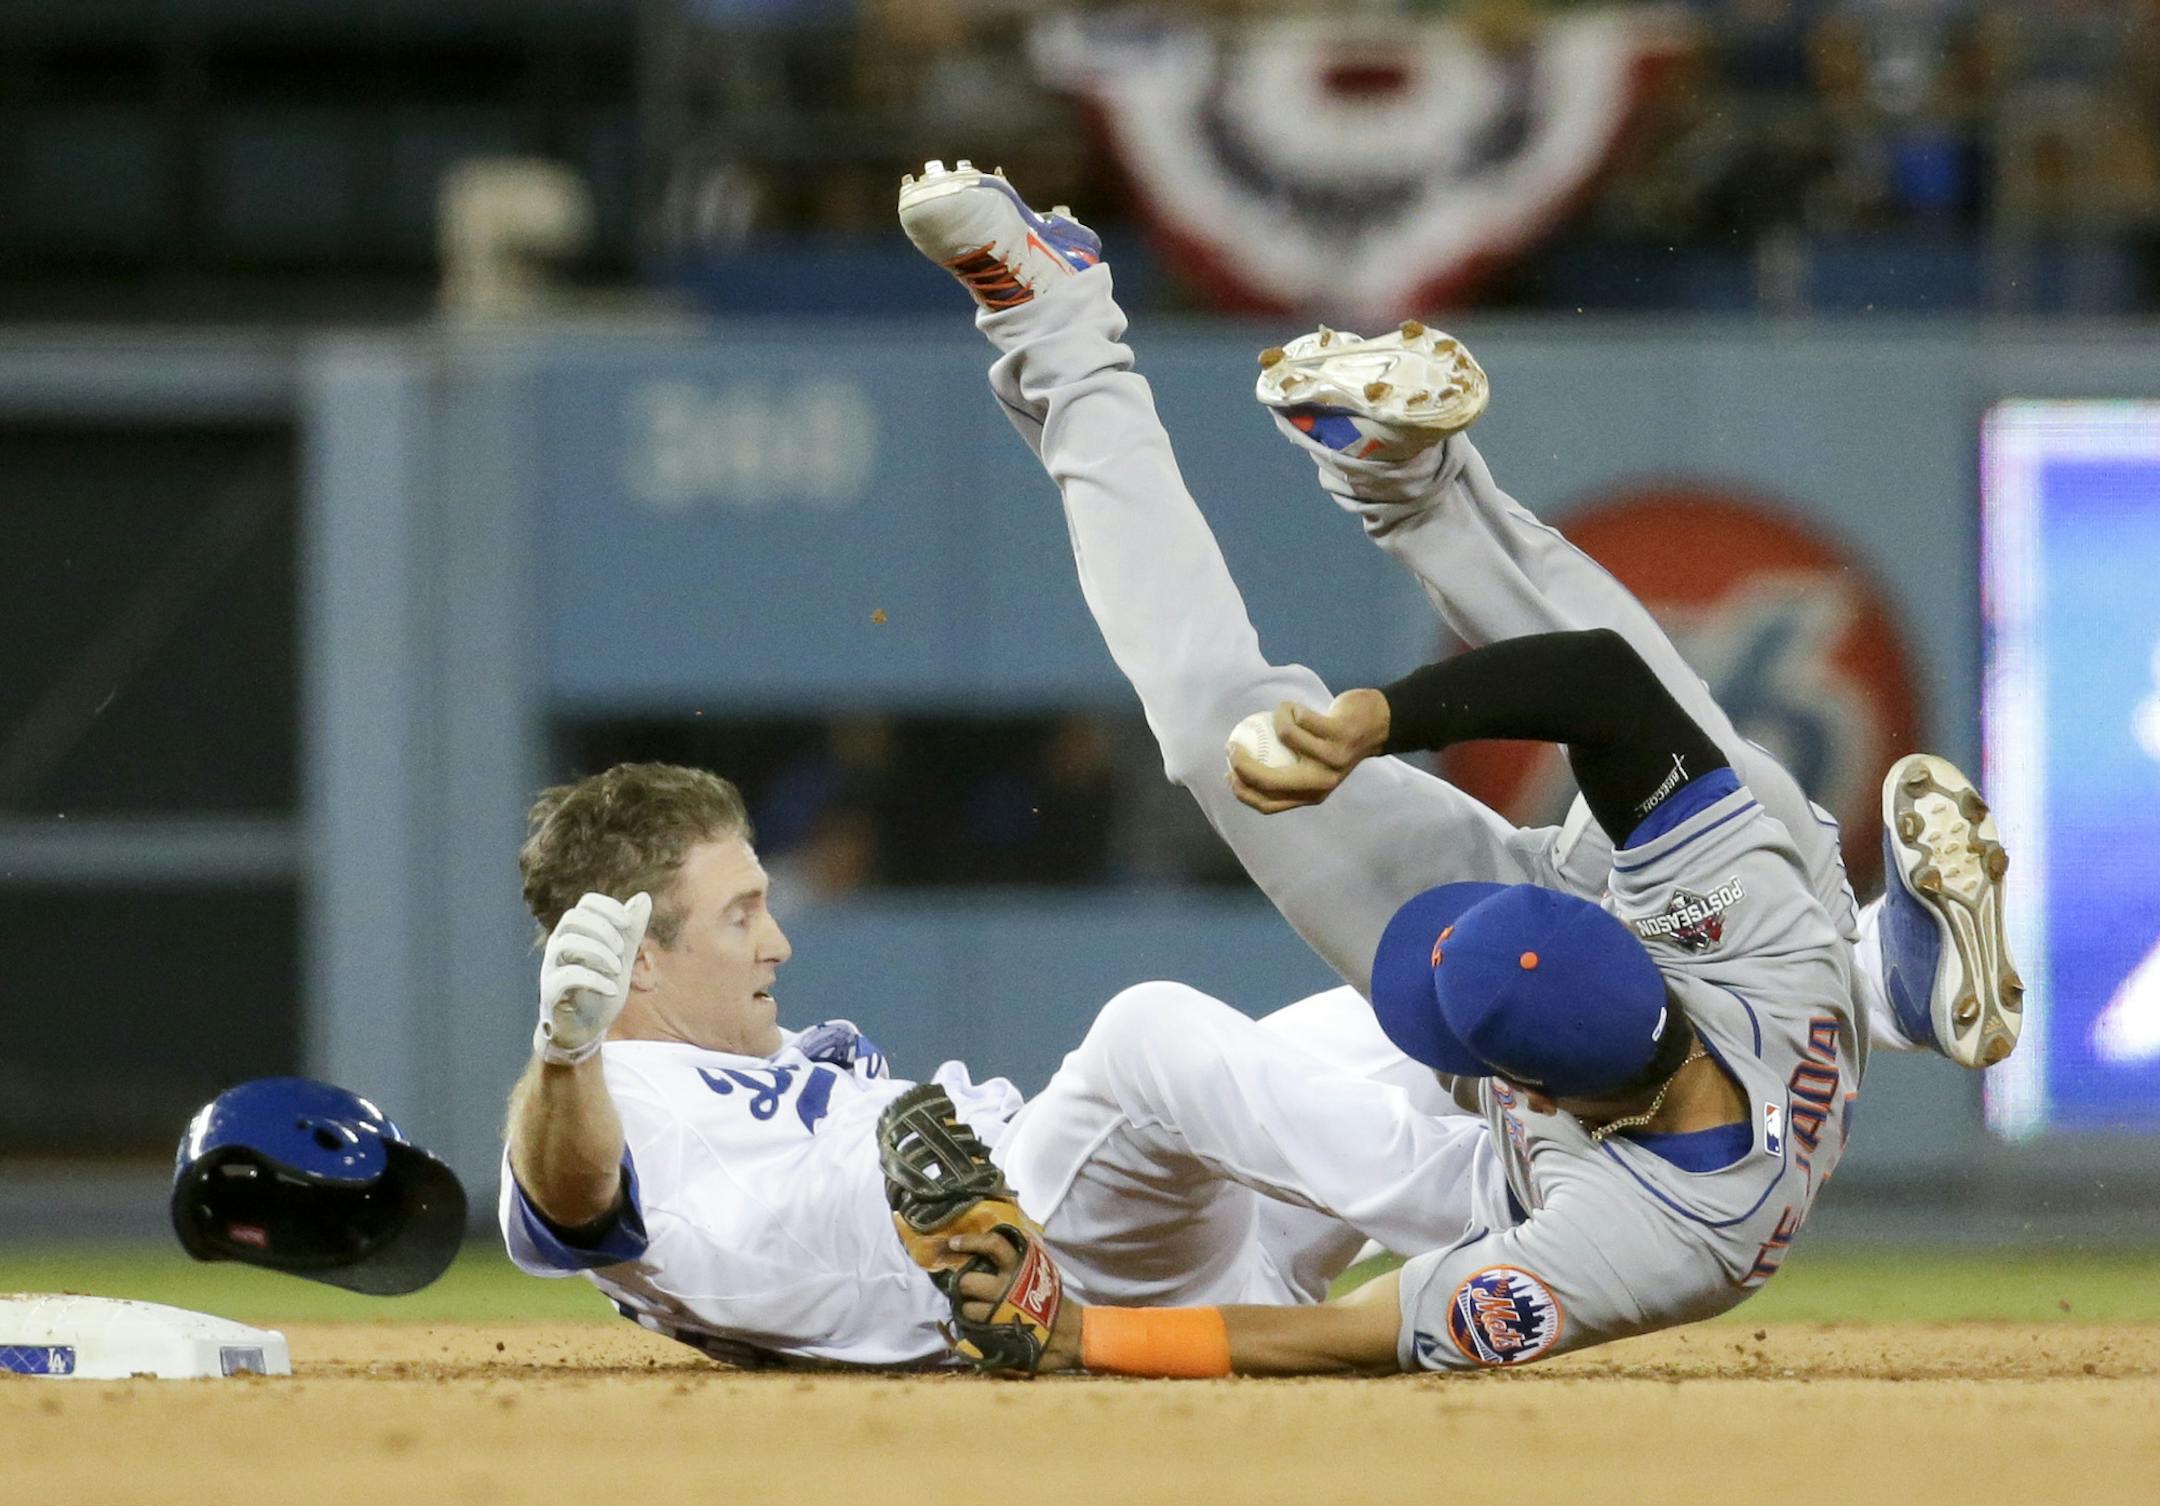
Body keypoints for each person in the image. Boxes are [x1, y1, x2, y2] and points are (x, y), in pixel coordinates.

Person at [886, 157, 2018, 1375]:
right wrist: (1382, 716)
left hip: (1530, 1163)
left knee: (1217, 731)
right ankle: (1401, 481)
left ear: (1514, 1084)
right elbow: (1599, 680)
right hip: (1763, 957)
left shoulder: (1641, 1235)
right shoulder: (1738, 925)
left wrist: (1087, 1338)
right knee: (1740, 793)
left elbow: (1356, 1335)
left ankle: (1083, 342)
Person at [499, 761, 1521, 1367]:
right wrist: (563, 1055)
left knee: (1410, 992)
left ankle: (1589, 1136)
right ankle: (1536, 1224)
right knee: (1145, 1031)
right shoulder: (610, 1094)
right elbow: (574, 1202)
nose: (778, 941)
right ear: (638, 961)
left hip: (1158, 1242)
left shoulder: (764, 1054)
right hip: (1039, 1275)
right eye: (740, 915)